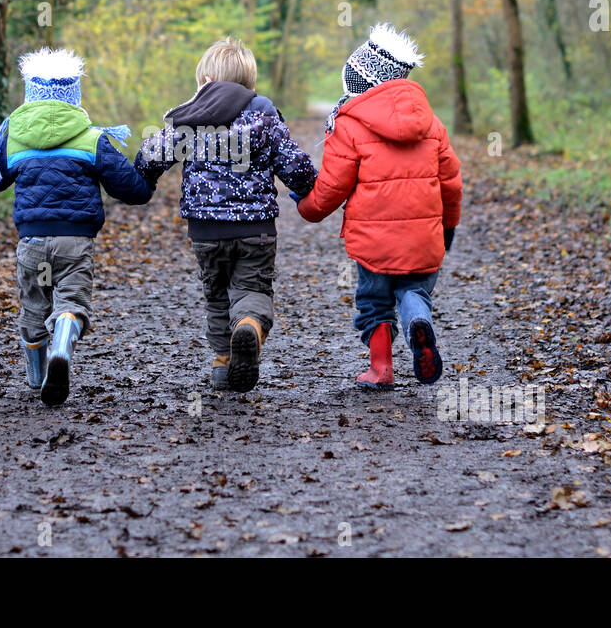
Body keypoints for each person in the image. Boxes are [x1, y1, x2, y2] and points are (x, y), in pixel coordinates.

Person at [134, 38, 316, 392]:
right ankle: (248, 324)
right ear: (249, 82)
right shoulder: (263, 112)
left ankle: (222, 364)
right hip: (256, 228)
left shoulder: (190, 115)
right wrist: (309, 188)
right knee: (252, 287)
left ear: (205, 79)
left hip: (205, 231)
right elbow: (296, 168)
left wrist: (141, 180)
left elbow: (150, 157)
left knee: (216, 293)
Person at [0, 48, 151, 406]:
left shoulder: (13, 137)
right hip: (75, 242)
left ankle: (36, 375)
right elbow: (132, 189)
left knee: (34, 306)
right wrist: (149, 172)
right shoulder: (92, 138)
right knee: (71, 300)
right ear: (75, 96)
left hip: (33, 242)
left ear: (30, 94)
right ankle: (63, 341)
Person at [297, 23, 462, 389]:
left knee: (374, 302)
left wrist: (307, 207)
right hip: (423, 239)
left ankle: (381, 370)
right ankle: (419, 321)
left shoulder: (350, 125)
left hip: (372, 243)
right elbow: (451, 183)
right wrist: (448, 227)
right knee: (414, 290)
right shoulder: (432, 124)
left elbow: (332, 186)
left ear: (359, 80)